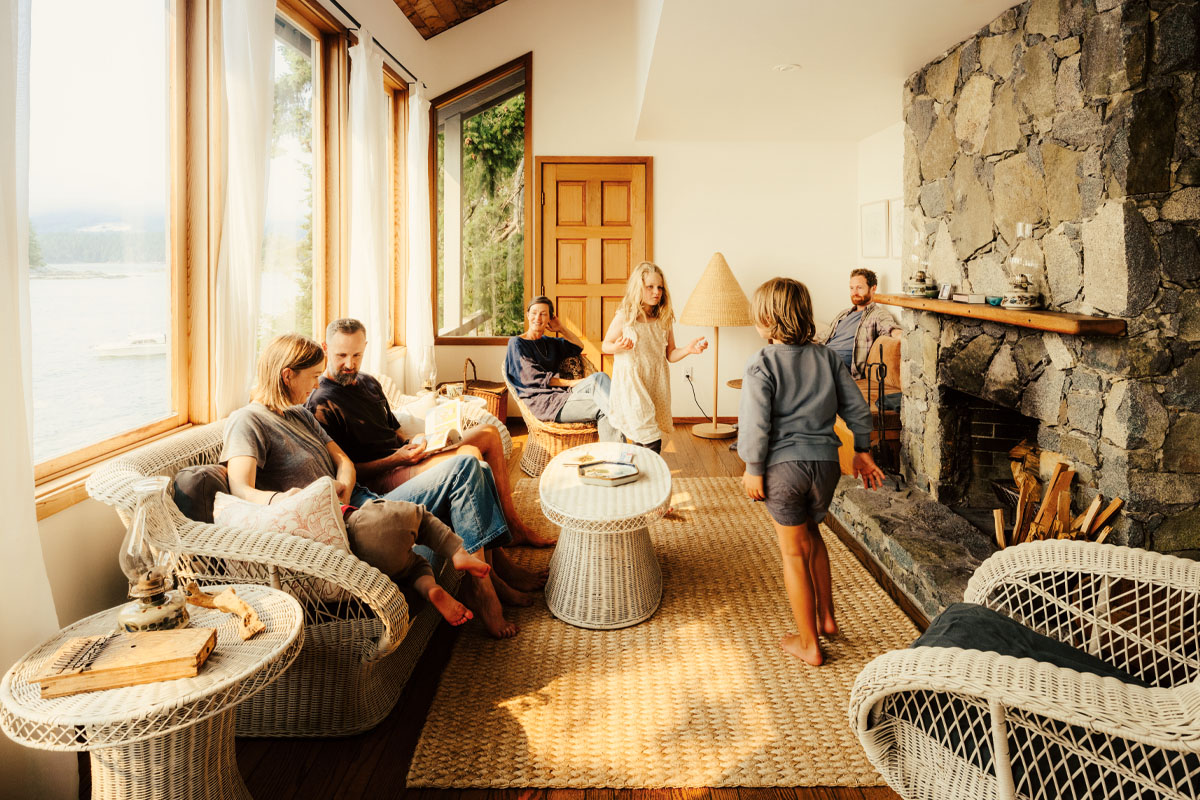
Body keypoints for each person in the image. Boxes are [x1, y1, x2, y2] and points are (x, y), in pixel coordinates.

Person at [222, 333, 519, 638]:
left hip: (362, 500)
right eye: (312, 376)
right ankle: (482, 589)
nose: (316, 384)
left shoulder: (298, 414)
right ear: (287, 376)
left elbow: (344, 461)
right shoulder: (248, 421)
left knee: (473, 465)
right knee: (463, 467)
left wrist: (344, 486)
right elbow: (240, 489)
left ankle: (490, 573)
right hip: (338, 522)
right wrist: (291, 499)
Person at [306, 319, 554, 602]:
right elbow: (348, 474)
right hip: (382, 476)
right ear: (326, 348)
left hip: (406, 457)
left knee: (488, 433)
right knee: (472, 460)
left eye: (356, 355)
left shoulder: (368, 383)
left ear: (365, 348)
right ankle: (493, 576)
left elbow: (394, 432)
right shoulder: (321, 402)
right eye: (341, 355)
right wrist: (396, 459)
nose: (349, 364)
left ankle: (514, 527)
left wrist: (418, 440)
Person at [738, 277, 885, 666]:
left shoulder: (761, 363)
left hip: (784, 470)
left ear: (768, 320)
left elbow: (755, 423)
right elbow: (856, 408)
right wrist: (863, 451)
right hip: (825, 467)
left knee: (792, 552)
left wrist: (753, 467)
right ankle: (826, 619)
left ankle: (809, 644)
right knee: (813, 535)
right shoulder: (827, 358)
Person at [600, 261, 707, 452]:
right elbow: (605, 345)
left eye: (660, 287)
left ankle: (638, 469)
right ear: (638, 287)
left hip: (655, 383)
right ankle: (652, 469)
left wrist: (688, 350)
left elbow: (670, 354)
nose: (656, 292)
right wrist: (617, 346)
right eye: (650, 287)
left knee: (642, 435)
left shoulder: (664, 318)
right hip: (632, 384)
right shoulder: (626, 316)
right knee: (650, 437)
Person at [505, 296, 618, 442]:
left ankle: (621, 418)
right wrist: (573, 383)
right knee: (604, 407)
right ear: (527, 315)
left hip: (563, 394)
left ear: (550, 318)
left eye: (543, 314)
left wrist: (561, 328)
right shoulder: (516, 343)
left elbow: (578, 346)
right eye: (534, 313)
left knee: (600, 377)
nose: (537, 318)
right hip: (545, 402)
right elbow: (535, 379)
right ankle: (620, 451)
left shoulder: (549, 342)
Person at [816, 268, 900, 378]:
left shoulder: (878, 314)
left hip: (836, 365)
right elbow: (824, 336)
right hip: (821, 356)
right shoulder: (844, 314)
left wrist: (901, 336)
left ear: (873, 288)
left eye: (859, 288)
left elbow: (890, 328)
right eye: (852, 288)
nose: (854, 293)